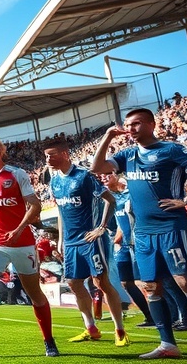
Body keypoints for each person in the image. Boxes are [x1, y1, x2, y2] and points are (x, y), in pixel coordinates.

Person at [91, 108, 187, 364]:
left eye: (137, 123)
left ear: (152, 124)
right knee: (151, 286)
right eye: (128, 124)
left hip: (171, 226)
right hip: (142, 231)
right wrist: (107, 136)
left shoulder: (170, 150)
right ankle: (167, 344)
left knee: (185, 282)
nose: (131, 128)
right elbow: (97, 167)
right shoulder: (128, 154)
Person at [0, 137, 57, 359]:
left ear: (1, 150)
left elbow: (35, 205)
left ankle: (49, 340)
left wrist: (18, 229)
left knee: (34, 292)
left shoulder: (16, 174)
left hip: (22, 242)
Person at [42, 137, 128, 346]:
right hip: (71, 242)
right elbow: (61, 211)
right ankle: (91, 328)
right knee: (73, 283)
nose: (47, 159)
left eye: (51, 155)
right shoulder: (54, 181)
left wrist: (101, 227)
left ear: (64, 154)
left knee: (101, 282)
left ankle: (119, 330)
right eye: (46, 156)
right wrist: (61, 239)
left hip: (91, 239)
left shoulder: (84, 176)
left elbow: (110, 200)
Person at [103, 173, 155, 327]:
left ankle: (171, 315)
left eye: (106, 175)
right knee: (126, 282)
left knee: (149, 281)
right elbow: (120, 221)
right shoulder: (112, 198)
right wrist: (117, 238)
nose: (103, 178)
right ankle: (149, 316)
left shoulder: (130, 193)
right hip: (124, 246)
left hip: (138, 243)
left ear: (116, 175)